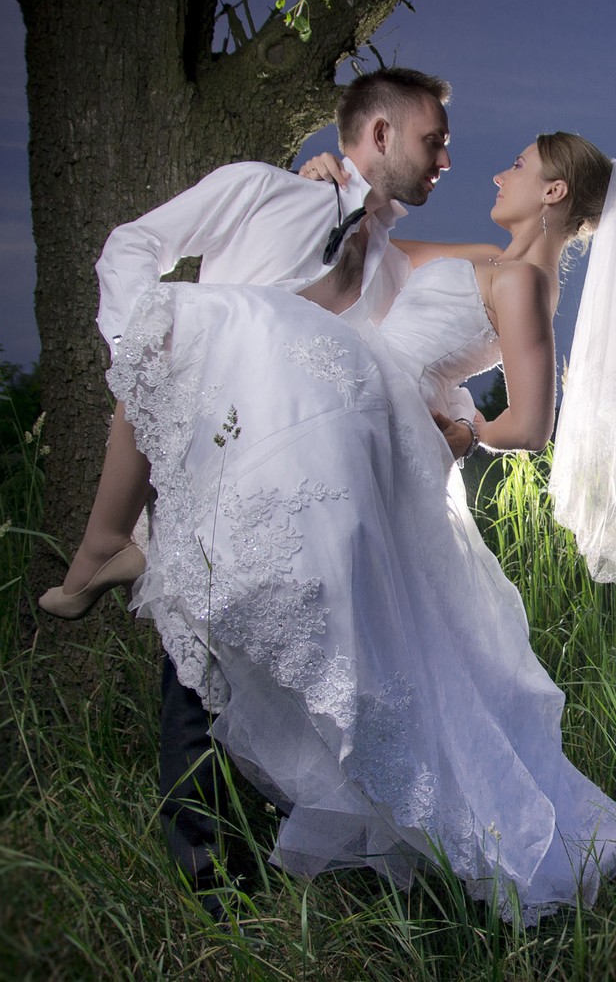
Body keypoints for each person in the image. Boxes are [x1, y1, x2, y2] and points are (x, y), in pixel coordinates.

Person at [51, 131, 616, 923]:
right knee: (278, 584)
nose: (500, 170)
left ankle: (225, 833)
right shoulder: (489, 256)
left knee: (210, 353)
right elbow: (376, 248)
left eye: (519, 165)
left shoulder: (522, 280)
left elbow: (529, 424)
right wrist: (332, 192)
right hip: (334, 407)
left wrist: (460, 433)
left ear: (554, 192)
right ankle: (227, 810)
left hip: (371, 437)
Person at [39, 66, 456, 922]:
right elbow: (132, 243)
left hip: (307, 498)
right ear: (378, 135)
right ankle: (213, 888)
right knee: (202, 654)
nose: (445, 156)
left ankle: (316, 862)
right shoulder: (260, 191)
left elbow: (397, 358)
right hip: (214, 465)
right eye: (433, 138)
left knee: (296, 668)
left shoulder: (387, 265)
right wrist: (146, 355)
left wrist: (454, 418)